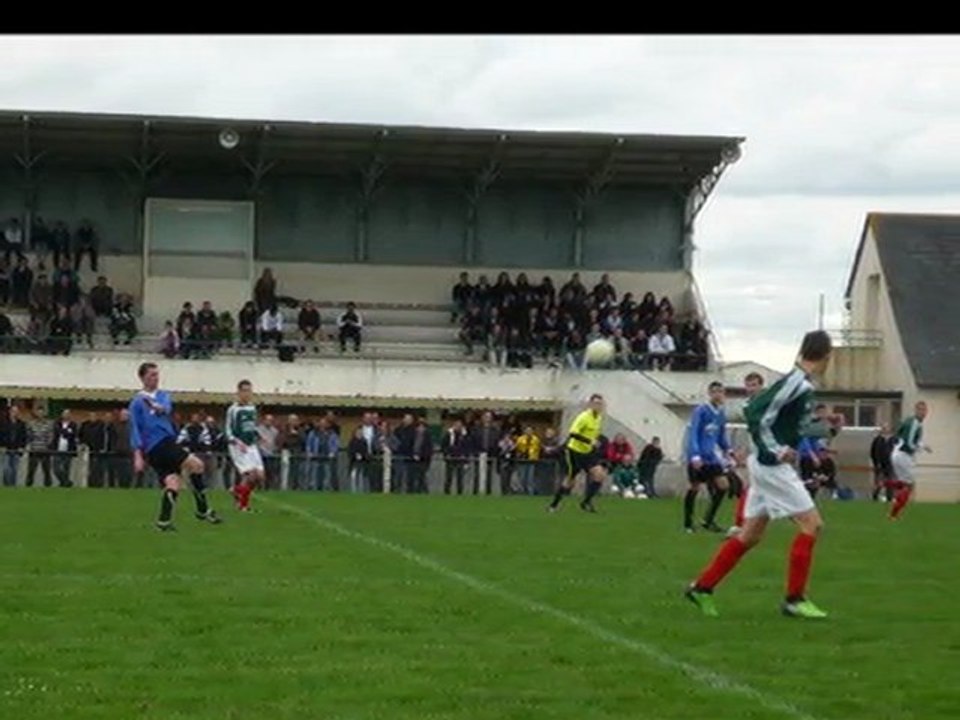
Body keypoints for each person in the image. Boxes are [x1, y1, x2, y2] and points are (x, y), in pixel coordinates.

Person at [686, 330, 839, 620]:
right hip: (772, 467)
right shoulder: (796, 383)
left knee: (750, 535)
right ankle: (794, 599)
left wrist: (825, 429)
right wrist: (777, 450)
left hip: (766, 465)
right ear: (826, 356)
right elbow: (756, 413)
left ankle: (702, 588)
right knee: (812, 524)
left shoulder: (800, 383)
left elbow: (790, 425)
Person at [129, 362, 222, 531]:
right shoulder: (136, 402)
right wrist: (137, 454)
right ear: (142, 378)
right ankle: (203, 510)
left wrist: (158, 407)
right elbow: (135, 428)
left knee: (173, 482)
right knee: (197, 465)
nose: (156, 378)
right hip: (158, 444)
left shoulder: (163, 395)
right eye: (151, 375)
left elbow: (165, 408)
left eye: (157, 374)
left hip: (165, 444)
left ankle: (163, 522)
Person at [547, 394, 608, 513]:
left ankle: (586, 502)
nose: (598, 406)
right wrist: (590, 441)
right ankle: (554, 504)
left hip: (588, 452)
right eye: (595, 403)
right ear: (590, 404)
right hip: (574, 452)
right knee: (570, 482)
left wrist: (594, 444)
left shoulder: (599, 418)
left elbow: (593, 434)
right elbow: (573, 434)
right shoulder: (584, 417)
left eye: (600, 404)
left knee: (600, 475)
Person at [683, 381, 731, 533]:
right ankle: (688, 524)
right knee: (694, 487)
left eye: (721, 391)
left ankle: (707, 520)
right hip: (699, 457)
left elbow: (720, 435)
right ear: (710, 393)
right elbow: (694, 433)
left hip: (712, 458)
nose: (718, 394)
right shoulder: (701, 410)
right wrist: (695, 455)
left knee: (723, 486)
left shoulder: (721, 413)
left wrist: (728, 449)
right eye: (715, 391)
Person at [728, 372, 765, 536]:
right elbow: (752, 431)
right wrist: (745, 450)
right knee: (752, 488)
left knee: (759, 489)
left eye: (754, 385)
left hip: (770, 453)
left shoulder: (767, 404)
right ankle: (741, 524)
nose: (751, 389)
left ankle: (742, 524)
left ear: (761, 386)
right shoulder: (747, 406)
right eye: (748, 385)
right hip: (758, 453)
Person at [225, 379, 265, 512]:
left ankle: (236, 490)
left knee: (260, 476)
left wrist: (257, 437)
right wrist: (237, 442)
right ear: (239, 392)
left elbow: (250, 427)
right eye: (245, 391)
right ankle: (243, 505)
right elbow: (228, 430)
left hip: (251, 445)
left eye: (250, 391)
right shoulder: (233, 409)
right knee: (250, 475)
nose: (248, 394)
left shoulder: (252, 408)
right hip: (238, 445)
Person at [888, 401, 931, 521]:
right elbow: (909, 442)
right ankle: (893, 514)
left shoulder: (910, 421)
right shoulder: (914, 423)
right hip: (903, 455)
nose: (923, 413)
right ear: (916, 410)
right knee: (909, 485)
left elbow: (903, 437)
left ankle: (884, 486)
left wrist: (923, 446)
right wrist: (918, 449)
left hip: (897, 453)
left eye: (925, 410)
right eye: (921, 410)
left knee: (902, 484)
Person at [870, 423, 895, 502]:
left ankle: (889, 498)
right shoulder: (877, 439)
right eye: (883, 428)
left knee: (890, 481)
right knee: (879, 482)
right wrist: (876, 463)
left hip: (890, 464)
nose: (884, 429)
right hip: (880, 464)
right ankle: (875, 495)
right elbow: (873, 452)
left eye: (886, 427)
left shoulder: (894, 439)